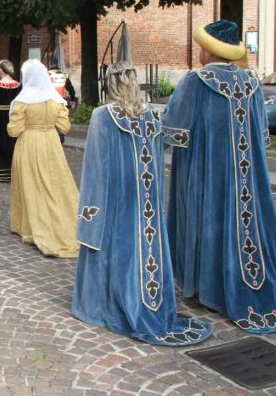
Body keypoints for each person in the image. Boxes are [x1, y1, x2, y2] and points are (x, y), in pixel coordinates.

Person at [164, 20, 276, 334]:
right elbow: (261, 133)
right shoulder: (251, 80)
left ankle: (207, 288)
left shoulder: (196, 80)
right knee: (240, 221)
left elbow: (174, 129)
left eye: (202, 47)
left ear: (209, 49)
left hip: (205, 171)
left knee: (208, 219)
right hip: (246, 174)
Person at [72, 61, 213, 346]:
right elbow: (160, 156)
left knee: (116, 248)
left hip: (116, 197)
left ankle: (108, 304)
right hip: (147, 199)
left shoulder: (102, 116)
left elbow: (95, 169)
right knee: (144, 246)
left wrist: (89, 216)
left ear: (109, 84)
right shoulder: (153, 115)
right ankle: (149, 300)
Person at [7, 60, 79, 258]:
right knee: (54, 182)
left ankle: (28, 225)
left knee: (29, 182)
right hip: (51, 144)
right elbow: (65, 128)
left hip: (28, 143)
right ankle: (63, 219)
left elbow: (14, 131)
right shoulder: (56, 101)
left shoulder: (22, 101)